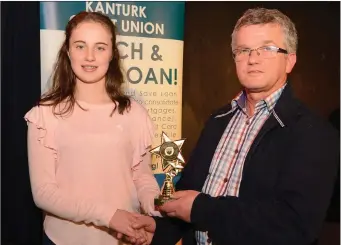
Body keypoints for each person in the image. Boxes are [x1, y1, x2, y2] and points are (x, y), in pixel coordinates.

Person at [125, 7, 340, 245]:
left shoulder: (313, 133)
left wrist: (202, 209)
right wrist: (160, 229)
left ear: (290, 61)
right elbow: (189, 192)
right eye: (243, 50)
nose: (253, 58)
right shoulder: (219, 120)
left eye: (267, 48)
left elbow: (293, 226)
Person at [24, 11, 160, 245]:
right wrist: (108, 216)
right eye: (80, 46)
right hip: (62, 240)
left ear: (112, 53)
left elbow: (142, 176)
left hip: (124, 238)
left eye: (100, 47)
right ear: (67, 51)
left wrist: (156, 206)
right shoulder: (45, 114)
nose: (89, 57)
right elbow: (44, 193)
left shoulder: (134, 113)